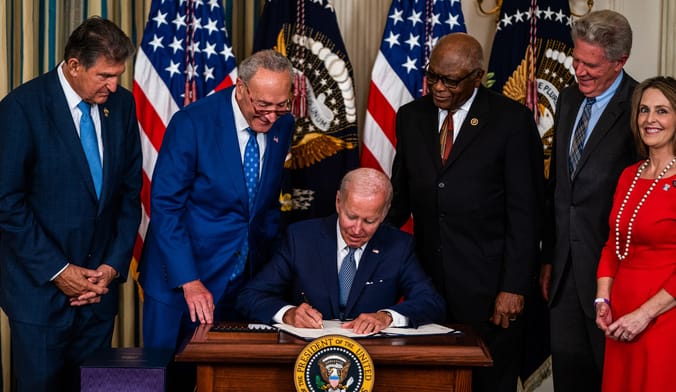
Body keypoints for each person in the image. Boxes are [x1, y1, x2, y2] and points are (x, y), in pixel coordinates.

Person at [388, 33, 543, 392]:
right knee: (431, 381)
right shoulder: (411, 117)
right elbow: (401, 200)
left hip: (489, 289)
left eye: (451, 80)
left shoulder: (511, 121)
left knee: (488, 382)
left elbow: (526, 212)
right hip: (426, 284)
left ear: (477, 76)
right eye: (433, 77)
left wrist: (513, 287)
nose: (439, 88)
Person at [0, 17, 141, 391]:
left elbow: (128, 195)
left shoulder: (122, 106)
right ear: (74, 65)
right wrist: (59, 270)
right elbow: (6, 203)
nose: (114, 85)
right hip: (40, 296)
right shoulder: (21, 107)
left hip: (98, 295)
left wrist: (111, 266)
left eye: (118, 75)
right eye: (105, 75)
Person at [139, 50, 294, 350]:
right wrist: (189, 281)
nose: (272, 116)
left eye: (281, 106)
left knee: (227, 374)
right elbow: (166, 207)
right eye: (262, 105)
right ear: (240, 87)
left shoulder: (283, 126)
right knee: (169, 377)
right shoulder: (192, 123)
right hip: (182, 280)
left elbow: (266, 205)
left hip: (242, 280)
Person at [539, 10, 638, 392]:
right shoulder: (566, 100)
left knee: (610, 379)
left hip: (612, 275)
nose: (578, 70)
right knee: (569, 377)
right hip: (563, 272)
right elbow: (558, 189)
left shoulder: (639, 107)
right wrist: (549, 256)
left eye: (590, 64)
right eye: (576, 59)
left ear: (619, 62)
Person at [237, 168, 445, 333]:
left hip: (373, 357)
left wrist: (386, 317)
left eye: (369, 221)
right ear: (338, 202)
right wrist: (288, 313)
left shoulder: (398, 245)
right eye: (351, 216)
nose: (357, 229)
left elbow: (431, 302)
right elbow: (251, 296)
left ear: (384, 213)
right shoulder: (301, 238)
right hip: (305, 354)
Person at [594, 76, 676, 392]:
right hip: (621, 318)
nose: (650, 120)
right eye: (644, 110)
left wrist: (644, 315)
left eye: (662, 111)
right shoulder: (630, 175)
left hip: (663, 319)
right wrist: (603, 299)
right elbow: (612, 245)